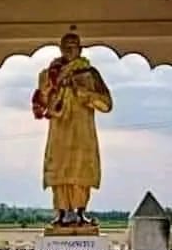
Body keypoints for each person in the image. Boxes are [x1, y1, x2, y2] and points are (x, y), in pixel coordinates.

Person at [32, 30, 113, 225]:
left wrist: (82, 92)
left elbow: (106, 104)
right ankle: (61, 211)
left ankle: (79, 212)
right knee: (58, 169)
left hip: (82, 132)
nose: (69, 50)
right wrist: (50, 91)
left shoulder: (90, 74)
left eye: (73, 46)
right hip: (59, 130)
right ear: (60, 48)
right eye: (65, 46)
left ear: (80, 49)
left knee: (81, 170)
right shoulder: (48, 75)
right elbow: (40, 104)